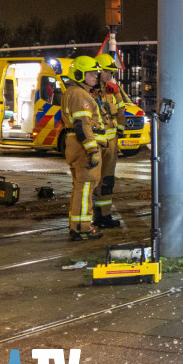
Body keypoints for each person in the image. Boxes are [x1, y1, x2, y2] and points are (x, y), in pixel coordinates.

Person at [60, 56, 105, 240]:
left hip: (74, 144)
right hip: (83, 148)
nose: (96, 76)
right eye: (91, 73)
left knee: (80, 186)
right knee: (86, 186)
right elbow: (82, 125)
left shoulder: (73, 92)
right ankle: (82, 228)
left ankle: (78, 225)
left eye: (96, 73)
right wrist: (92, 149)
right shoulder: (80, 95)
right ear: (79, 74)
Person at [90, 52, 124, 229]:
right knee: (92, 180)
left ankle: (104, 215)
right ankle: (88, 216)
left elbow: (120, 112)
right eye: (107, 72)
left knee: (108, 180)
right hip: (95, 144)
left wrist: (121, 131)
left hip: (111, 144)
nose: (109, 75)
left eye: (111, 72)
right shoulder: (88, 90)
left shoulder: (113, 90)